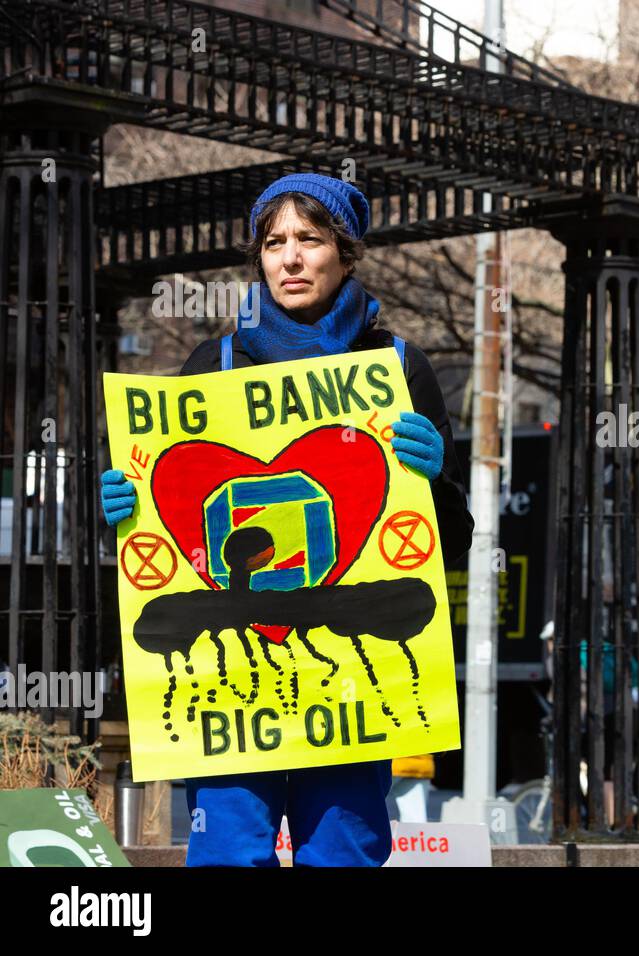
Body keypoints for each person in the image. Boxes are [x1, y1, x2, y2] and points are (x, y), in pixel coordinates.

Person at [99, 173, 473, 866]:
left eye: (310, 239)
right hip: (232, 682)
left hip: (351, 685)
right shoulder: (212, 365)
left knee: (343, 854)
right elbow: (171, 530)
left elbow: (451, 542)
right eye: (274, 243)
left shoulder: (397, 367)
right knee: (230, 856)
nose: (291, 258)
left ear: (346, 253)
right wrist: (125, 511)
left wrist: (435, 481)